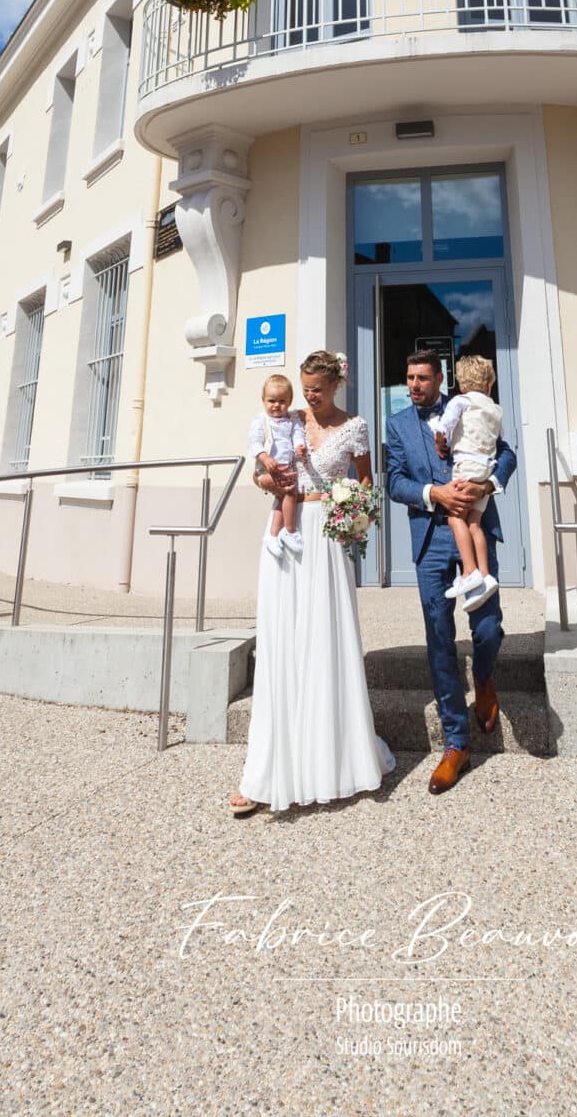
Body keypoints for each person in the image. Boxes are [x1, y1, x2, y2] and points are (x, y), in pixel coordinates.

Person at [229, 349, 395, 816]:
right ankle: (267, 771)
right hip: (288, 522)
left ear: (336, 386)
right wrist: (268, 481)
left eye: (316, 390)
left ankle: (334, 762)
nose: (308, 397)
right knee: (282, 641)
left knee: (324, 638)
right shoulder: (290, 418)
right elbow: (261, 468)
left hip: (328, 533)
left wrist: (352, 515)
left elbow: (366, 484)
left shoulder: (355, 428)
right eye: (305, 390)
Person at [386, 349, 517, 795]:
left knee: (488, 627)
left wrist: (486, 483)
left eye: (422, 377)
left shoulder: (470, 403)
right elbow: (394, 480)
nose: (414, 384)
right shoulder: (398, 425)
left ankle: (483, 678)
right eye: (409, 377)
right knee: (439, 637)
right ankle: (456, 743)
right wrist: (434, 493)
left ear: (441, 378)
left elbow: (508, 454)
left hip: (477, 524)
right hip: (431, 536)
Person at [433, 354, 502, 607]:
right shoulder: (495, 408)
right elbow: (498, 437)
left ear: (460, 384)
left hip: (466, 465)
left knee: (455, 517)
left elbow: (444, 426)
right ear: (489, 384)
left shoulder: (460, 401)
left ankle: (469, 572)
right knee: (475, 522)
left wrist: (441, 442)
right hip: (486, 468)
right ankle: (485, 575)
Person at [247, 373, 309, 559]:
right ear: (263, 400)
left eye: (282, 401)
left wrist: (300, 445)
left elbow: (297, 433)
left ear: (290, 401)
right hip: (268, 467)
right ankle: (289, 531)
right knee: (289, 493)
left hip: (285, 467)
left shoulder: (292, 419)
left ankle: (273, 535)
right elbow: (255, 442)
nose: (276, 405)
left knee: (283, 498)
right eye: (271, 401)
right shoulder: (261, 420)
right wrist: (265, 457)